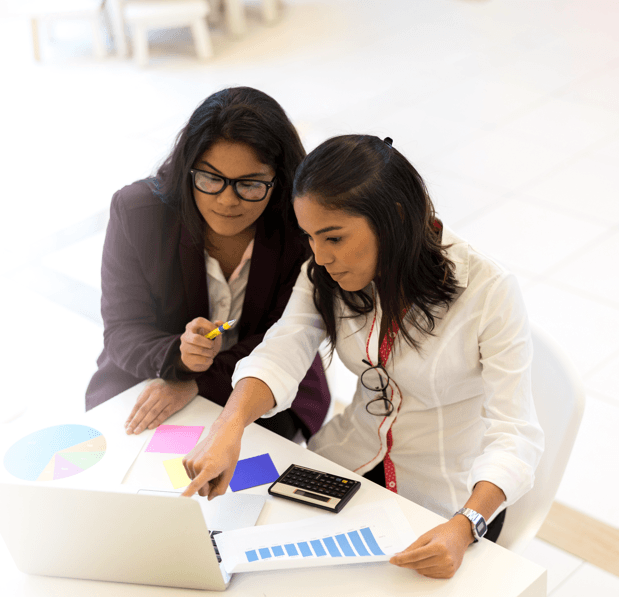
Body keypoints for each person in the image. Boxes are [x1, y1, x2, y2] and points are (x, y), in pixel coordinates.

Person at [181, 135, 544, 579]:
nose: (319, 256)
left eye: (333, 237)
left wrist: (466, 524)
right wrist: (229, 425)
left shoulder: (489, 290)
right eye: (310, 236)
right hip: (347, 460)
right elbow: (286, 343)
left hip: (449, 499)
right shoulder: (324, 271)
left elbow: (516, 435)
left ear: (392, 219)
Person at [85, 87, 330, 442]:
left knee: (252, 486)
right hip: (152, 374)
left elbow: (285, 337)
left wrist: (198, 382)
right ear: (188, 169)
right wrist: (179, 359)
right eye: (211, 178)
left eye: (249, 184)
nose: (227, 200)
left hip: (264, 386)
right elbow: (124, 330)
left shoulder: (300, 226)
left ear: (279, 180)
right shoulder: (138, 212)